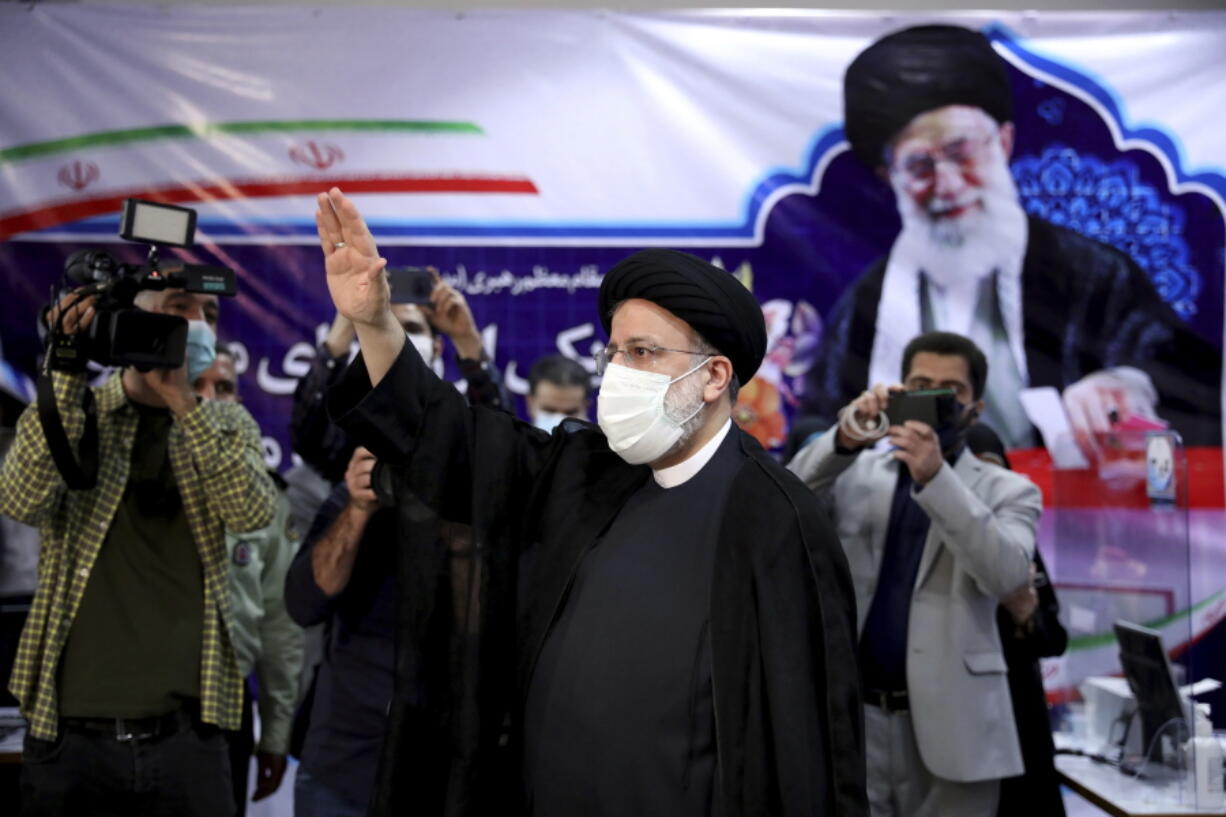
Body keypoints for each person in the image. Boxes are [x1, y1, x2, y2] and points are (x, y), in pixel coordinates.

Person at [315, 187, 866, 817]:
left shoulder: (776, 522)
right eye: (615, 352)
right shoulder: (588, 471)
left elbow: (810, 748)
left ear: (715, 377)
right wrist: (377, 322)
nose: (618, 372)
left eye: (643, 353)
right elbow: (458, 442)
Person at [803, 24, 1221, 447]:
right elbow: (820, 431)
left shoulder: (1091, 274)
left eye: (961, 152)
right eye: (919, 166)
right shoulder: (865, 308)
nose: (947, 184)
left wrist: (1129, 383)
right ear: (889, 176)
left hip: (1056, 508)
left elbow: (1185, 374)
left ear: (1003, 143)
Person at [0, 287, 277, 816]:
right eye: (180, 308)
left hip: (188, 738)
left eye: (209, 313)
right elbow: (19, 500)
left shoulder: (223, 423)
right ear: (132, 319)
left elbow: (251, 515)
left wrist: (181, 401)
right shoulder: (76, 409)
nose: (197, 323)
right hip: (70, 738)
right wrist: (64, 376)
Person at [788, 330, 1041, 817]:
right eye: (920, 384)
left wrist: (935, 478)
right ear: (899, 389)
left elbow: (1010, 578)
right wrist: (846, 437)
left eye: (950, 392)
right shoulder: (859, 473)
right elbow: (787, 502)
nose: (932, 399)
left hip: (959, 732)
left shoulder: (1011, 489)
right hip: (855, 720)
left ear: (975, 410)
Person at [284, 278, 511, 817]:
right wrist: (360, 506)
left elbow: (504, 447)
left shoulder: (476, 466)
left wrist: (471, 346)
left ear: (436, 348)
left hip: (443, 767)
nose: (399, 344)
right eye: (385, 332)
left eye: (410, 329)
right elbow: (304, 604)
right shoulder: (355, 466)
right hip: (345, 762)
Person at [194, 344, 305, 815]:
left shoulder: (266, 495)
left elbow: (280, 627)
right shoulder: (132, 481)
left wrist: (276, 735)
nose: (211, 399)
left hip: (226, 708)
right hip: (138, 703)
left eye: (223, 387)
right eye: (195, 386)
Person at [964, 423, 1068, 817]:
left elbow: (1055, 638)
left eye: (996, 470)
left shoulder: (1019, 543)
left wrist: (1026, 612)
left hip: (1021, 716)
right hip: (965, 723)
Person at [525, 353, 591, 431]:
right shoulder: (511, 442)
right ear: (530, 403)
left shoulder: (605, 442)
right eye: (549, 410)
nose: (559, 421)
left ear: (585, 407)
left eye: (570, 412)